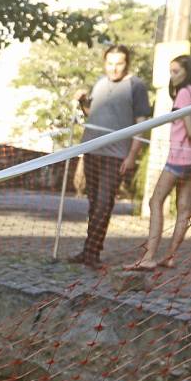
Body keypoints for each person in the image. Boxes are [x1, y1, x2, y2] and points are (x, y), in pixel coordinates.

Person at [126, 54, 191, 271]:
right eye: (171, 72)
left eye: (176, 72)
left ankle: (149, 256)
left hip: (180, 159)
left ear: (188, 71)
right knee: (183, 209)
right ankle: (171, 256)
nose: (173, 76)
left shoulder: (185, 93)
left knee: (155, 201)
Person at [68, 44, 152, 268]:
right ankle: (88, 251)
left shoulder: (136, 86)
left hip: (116, 155)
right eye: (110, 63)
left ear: (127, 64)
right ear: (105, 63)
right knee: (94, 203)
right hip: (92, 150)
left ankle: (92, 253)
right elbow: (94, 114)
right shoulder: (99, 83)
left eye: (119, 64)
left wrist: (132, 155)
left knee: (104, 204)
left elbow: (141, 123)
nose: (114, 68)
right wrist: (83, 101)